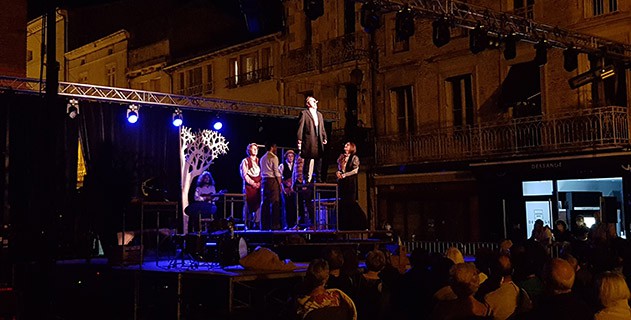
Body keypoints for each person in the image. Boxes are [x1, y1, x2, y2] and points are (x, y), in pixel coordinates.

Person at [297, 96, 327, 183]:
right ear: (308, 103)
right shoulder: (304, 113)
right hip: (309, 140)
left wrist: (324, 137)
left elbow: (322, 127)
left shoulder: (319, 115)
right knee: (308, 159)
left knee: (319, 159)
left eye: (315, 101)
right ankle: (306, 178)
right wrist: (299, 139)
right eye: (313, 101)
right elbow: (301, 127)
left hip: (318, 140)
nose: (315, 103)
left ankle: (318, 178)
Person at [336, 142, 365, 230]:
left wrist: (345, 174)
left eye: (348, 145)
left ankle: (362, 223)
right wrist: (339, 172)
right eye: (345, 145)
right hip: (343, 183)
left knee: (351, 203)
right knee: (343, 204)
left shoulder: (354, 158)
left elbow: (355, 170)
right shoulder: (342, 157)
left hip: (350, 183)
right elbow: (340, 169)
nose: (345, 146)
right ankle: (345, 226)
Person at [260, 143, 283, 230]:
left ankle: (264, 225)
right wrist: (280, 183)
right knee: (274, 203)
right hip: (272, 180)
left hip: (264, 181)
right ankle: (275, 224)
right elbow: (276, 171)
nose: (276, 148)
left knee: (265, 203)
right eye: (275, 147)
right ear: (272, 147)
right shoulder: (274, 157)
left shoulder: (262, 158)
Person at [240, 143, 261, 230]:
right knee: (247, 204)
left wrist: (259, 183)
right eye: (253, 149)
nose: (255, 150)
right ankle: (246, 223)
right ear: (249, 150)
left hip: (258, 185)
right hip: (249, 186)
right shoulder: (245, 161)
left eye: (256, 149)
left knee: (258, 203)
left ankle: (257, 222)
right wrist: (253, 183)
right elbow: (244, 175)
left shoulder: (259, 161)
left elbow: (262, 173)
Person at [279, 149, 298, 229]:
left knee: (294, 206)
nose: (291, 158)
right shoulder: (282, 165)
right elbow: (279, 178)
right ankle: (287, 224)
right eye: (289, 156)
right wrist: (284, 184)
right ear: (286, 157)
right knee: (287, 206)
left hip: (293, 189)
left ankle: (294, 223)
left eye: (292, 156)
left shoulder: (295, 165)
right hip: (285, 189)